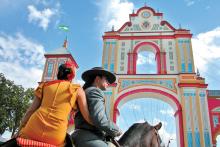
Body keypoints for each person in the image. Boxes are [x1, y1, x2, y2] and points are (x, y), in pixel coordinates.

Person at [15, 61, 92, 146]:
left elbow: (31, 110)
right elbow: (87, 116)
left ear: (58, 73)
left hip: (33, 129)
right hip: (56, 134)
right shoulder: (76, 89)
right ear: (72, 76)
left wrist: (20, 130)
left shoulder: (44, 86)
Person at [71, 67, 122, 147]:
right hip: (89, 137)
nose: (108, 83)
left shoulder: (86, 91)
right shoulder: (95, 91)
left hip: (83, 136)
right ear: (97, 78)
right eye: (106, 79)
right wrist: (117, 130)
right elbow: (100, 119)